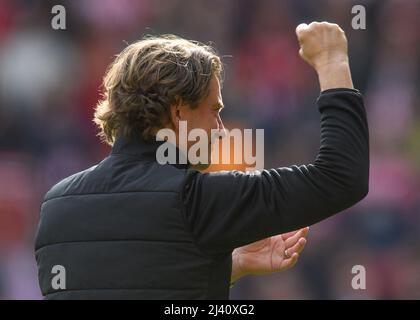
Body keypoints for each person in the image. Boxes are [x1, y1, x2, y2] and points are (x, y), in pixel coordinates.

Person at [34, 22, 369, 299]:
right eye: (215, 111)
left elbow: (126, 284)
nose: (221, 130)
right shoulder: (197, 199)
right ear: (179, 110)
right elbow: (340, 178)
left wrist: (223, 267)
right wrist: (332, 62)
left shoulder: (56, 205)